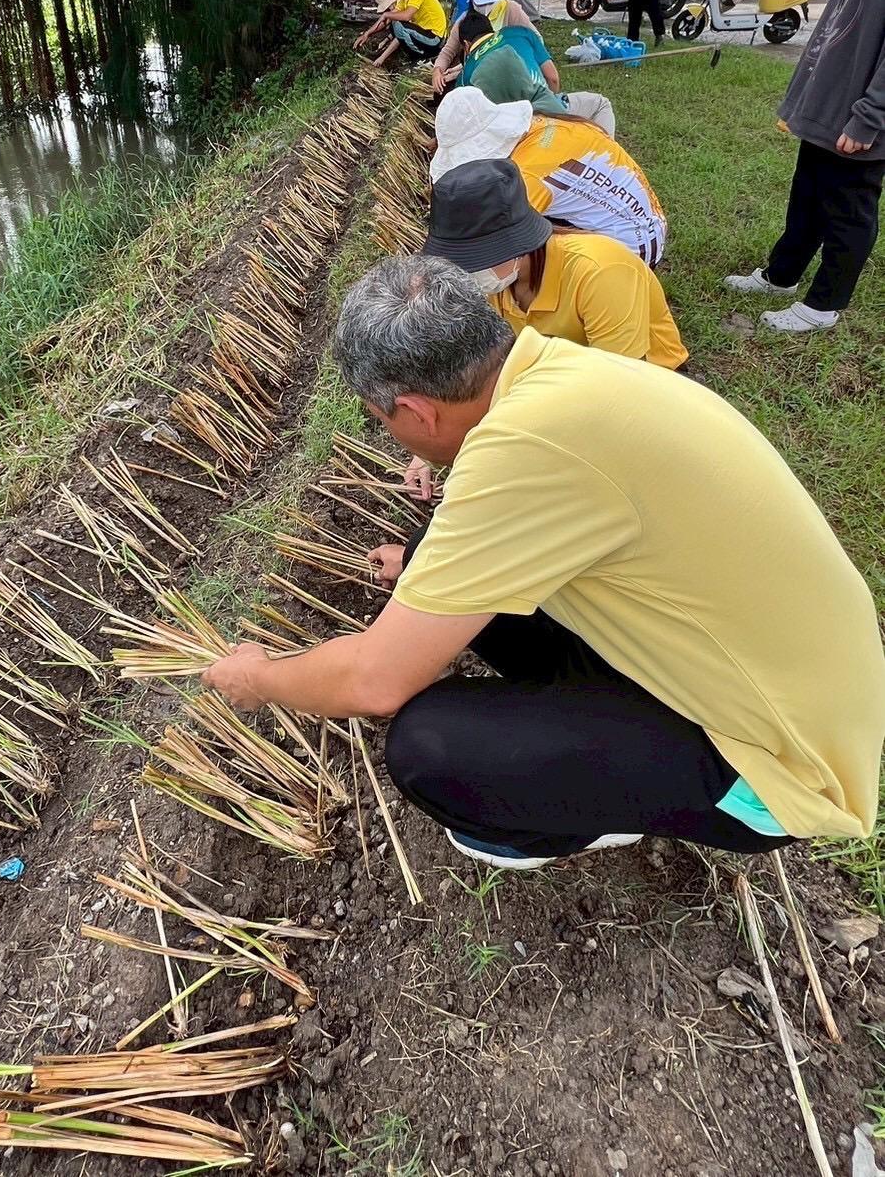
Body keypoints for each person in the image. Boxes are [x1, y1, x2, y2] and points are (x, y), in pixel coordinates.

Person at [203, 257, 885, 872]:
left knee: (427, 746)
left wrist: (260, 677)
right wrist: (417, 564)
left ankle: (583, 821)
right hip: (787, 680)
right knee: (439, 578)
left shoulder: (524, 449)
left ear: (414, 410)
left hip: (783, 765)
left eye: (381, 419)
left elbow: (374, 681)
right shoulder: (556, 373)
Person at [724, 0, 885, 333]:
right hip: (826, 110)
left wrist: (868, 118)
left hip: (860, 120)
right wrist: (804, 102)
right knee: (808, 198)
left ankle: (823, 306)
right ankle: (781, 276)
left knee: (848, 213)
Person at [424, 157, 686, 366]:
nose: (465, 271)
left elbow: (621, 381)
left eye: (474, 258)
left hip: (646, 382)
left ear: (516, 245)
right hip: (561, 374)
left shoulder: (601, 271)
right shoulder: (501, 282)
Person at [432, 87, 662, 263]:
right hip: (646, 228)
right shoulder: (539, 126)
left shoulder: (529, 172)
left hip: (630, 252)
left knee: (518, 259)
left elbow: (499, 241)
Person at [453, 13, 616, 136]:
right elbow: (553, 78)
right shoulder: (519, 32)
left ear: (466, 45)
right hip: (548, 115)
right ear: (492, 30)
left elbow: (463, 121)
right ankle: (605, 156)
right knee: (600, 104)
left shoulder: (464, 76)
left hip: (508, 132)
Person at [431, 0, 547, 96]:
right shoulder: (466, 21)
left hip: (512, 71)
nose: (486, 7)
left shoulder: (510, 10)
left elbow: (536, 39)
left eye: (490, 1)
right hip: (478, 76)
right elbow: (448, 51)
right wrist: (437, 70)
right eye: (481, 3)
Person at [353, 0, 446, 67]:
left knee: (398, 25)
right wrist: (367, 34)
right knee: (396, 25)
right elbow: (389, 19)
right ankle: (417, 58)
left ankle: (422, 58)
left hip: (434, 38)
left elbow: (406, 16)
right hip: (424, 36)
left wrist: (386, 14)